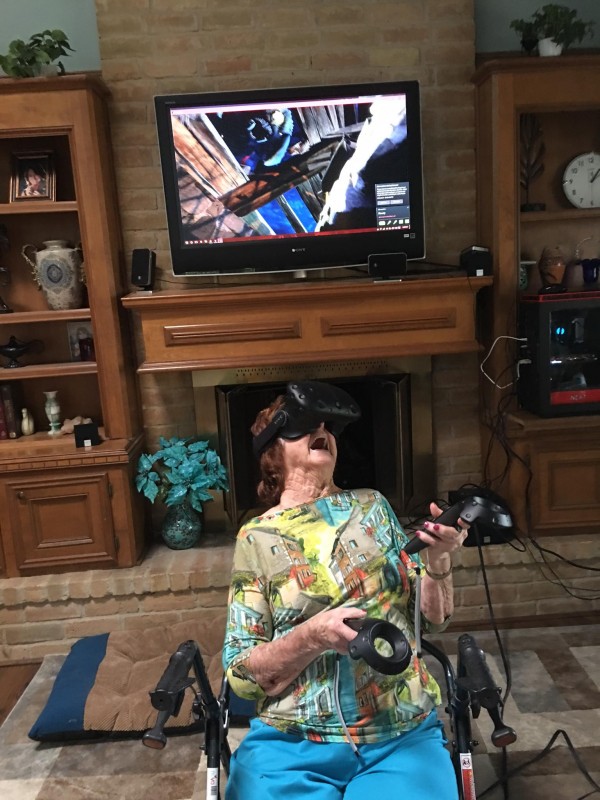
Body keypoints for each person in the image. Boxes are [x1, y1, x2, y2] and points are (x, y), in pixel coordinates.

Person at [222, 381, 469, 799]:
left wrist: (438, 558)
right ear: (273, 452)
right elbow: (243, 676)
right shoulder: (257, 536)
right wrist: (313, 635)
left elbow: (432, 620)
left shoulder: (372, 506)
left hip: (398, 731)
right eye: (303, 425)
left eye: (327, 426)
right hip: (292, 740)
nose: (321, 430)